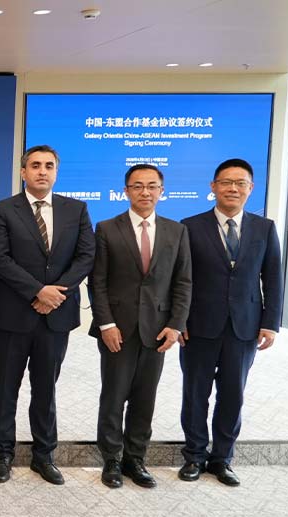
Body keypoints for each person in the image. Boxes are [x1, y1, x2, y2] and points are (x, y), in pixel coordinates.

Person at [0, 145, 95, 485]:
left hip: (56, 315)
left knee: (46, 388)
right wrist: (37, 291)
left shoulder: (76, 209)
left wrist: (55, 294)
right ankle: (3, 454)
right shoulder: (1, 210)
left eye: (48, 165)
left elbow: (86, 256)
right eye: (35, 165)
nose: (42, 171)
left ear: (56, 172)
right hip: (13, 315)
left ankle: (44, 455)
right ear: (23, 172)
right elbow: (0, 258)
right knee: (6, 388)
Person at [178, 158, 282, 487]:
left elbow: (273, 279)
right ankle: (194, 456)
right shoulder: (189, 226)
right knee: (195, 393)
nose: (233, 188)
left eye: (240, 183)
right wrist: (178, 320)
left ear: (251, 188)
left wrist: (271, 323)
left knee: (233, 394)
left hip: (244, 326)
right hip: (198, 325)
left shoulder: (264, 228)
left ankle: (222, 458)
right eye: (226, 182)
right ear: (213, 187)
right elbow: (181, 279)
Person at [88, 164, 191, 489]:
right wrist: (106, 323)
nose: (145, 192)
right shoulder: (107, 228)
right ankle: (111, 459)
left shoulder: (177, 231)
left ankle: (136, 459)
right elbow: (97, 282)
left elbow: (183, 282)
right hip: (117, 329)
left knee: (145, 398)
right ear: (126, 191)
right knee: (114, 396)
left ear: (162, 191)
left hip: (157, 330)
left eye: (151, 186)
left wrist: (175, 325)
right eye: (137, 186)